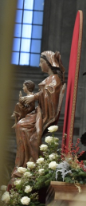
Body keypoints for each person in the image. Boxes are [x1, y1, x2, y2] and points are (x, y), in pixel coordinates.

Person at [11, 51, 65, 179]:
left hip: (44, 113)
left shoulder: (55, 79)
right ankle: (23, 163)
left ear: (49, 63)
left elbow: (50, 95)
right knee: (20, 126)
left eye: (42, 62)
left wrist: (34, 97)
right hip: (39, 111)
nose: (40, 65)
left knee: (23, 127)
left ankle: (29, 163)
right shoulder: (48, 79)